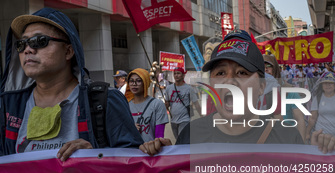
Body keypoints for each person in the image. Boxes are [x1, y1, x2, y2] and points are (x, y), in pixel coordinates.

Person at [140, 30, 335, 155]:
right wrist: (158, 158)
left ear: (262, 86)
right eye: (220, 73)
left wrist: (319, 157)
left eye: (242, 72)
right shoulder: (192, 135)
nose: (230, 80)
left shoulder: (287, 138)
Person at [0, 8, 143, 160]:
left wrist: (97, 154)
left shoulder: (104, 101)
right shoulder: (9, 105)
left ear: (68, 51)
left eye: (39, 41)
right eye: (22, 44)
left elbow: (133, 164)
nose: (28, 50)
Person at [263, 54, 306, 141]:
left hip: (285, 139)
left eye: (269, 66)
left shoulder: (289, 91)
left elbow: (300, 119)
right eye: (262, 66)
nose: (265, 69)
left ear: (275, 69)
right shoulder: (254, 90)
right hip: (263, 138)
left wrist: (301, 145)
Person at [125, 68, 168, 142]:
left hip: (151, 151)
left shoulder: (157, 104)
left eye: (138, 81)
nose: (134, 84)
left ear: (146, 82)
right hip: (130, 151)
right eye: (131, 81)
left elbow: (159, 137)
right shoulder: (125, 105)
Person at [165, 67, 201, 139]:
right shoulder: (169, 88)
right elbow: (167, 103)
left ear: (183, 75)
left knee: (182, 140)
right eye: (175, 73)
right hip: (173, 120)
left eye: (178, 73)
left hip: (185, 120)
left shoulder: (189, 88)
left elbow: (196, 103)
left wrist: (202, 116)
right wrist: (165, 105)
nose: (176, 75)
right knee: (178, 140)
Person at [306, 71, 335, 141]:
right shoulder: (318, 98)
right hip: (320, 136)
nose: (328, 85)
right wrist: (307, 133)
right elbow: (313, 118)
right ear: (321, 85)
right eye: (325, 83)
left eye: (330, 83)